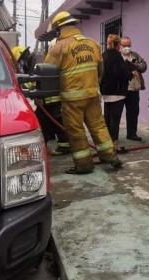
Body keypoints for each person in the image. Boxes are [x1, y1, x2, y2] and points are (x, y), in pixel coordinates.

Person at [44, 11, 122, 174]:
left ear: (59, 29)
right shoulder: (93, 44)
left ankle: (84, 165)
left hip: (72, 99)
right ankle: (110, 156)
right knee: (99, 126)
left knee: (76, 131)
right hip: (92, 95)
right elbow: (101, 70)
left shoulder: (58, 48)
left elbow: (46, 74)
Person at [13, 45, 70, 156]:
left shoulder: (34, 64)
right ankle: (46, 143)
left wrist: (24, 86)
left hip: (50, 99)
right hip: (46, 99)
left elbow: (35, 81)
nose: (20, 63)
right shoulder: (34, 60)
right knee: (44, 121)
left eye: (19, 60)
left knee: (56, 122)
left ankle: (64, 146)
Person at [100, 34, 134, 152]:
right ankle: (114, 146)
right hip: (117, 93)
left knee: (107, 120)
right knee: (115, 120)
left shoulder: (103, 55)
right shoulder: (117, 57)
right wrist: (131, 75)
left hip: (105, 93)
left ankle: (107, 145)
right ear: (118, 44)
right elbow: (121, 74)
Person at [120, 36, 147, 142]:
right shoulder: (117, 56)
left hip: (134, 89)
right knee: (116, 113)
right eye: (124, 45)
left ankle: (132, 134)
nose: (127, 47)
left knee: (133, 112)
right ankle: (113, 136)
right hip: (121, 89)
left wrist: (132, 64)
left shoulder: (135, 55)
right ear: (120, 46)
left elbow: (144, 67)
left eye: (128, 45)